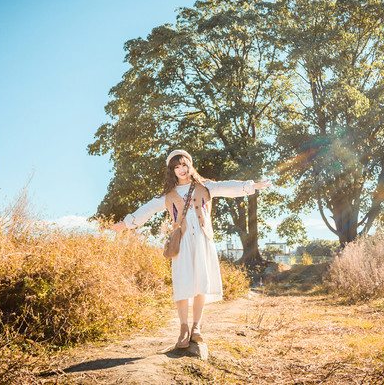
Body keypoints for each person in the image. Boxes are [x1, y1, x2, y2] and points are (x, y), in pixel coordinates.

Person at [111, 149, 271, 348]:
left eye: (184, 165)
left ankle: (196, 328)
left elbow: (226, 187)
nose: (181, 170)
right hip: (182, 241)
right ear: (172, 171)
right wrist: (127, 223)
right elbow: (148, 208)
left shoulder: (204, 187)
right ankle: (183, 328)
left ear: (190, 165)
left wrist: (252, 186)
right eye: (177, 167)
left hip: (203, 239)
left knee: (201, 282)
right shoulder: (168, 195)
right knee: (182, 283)